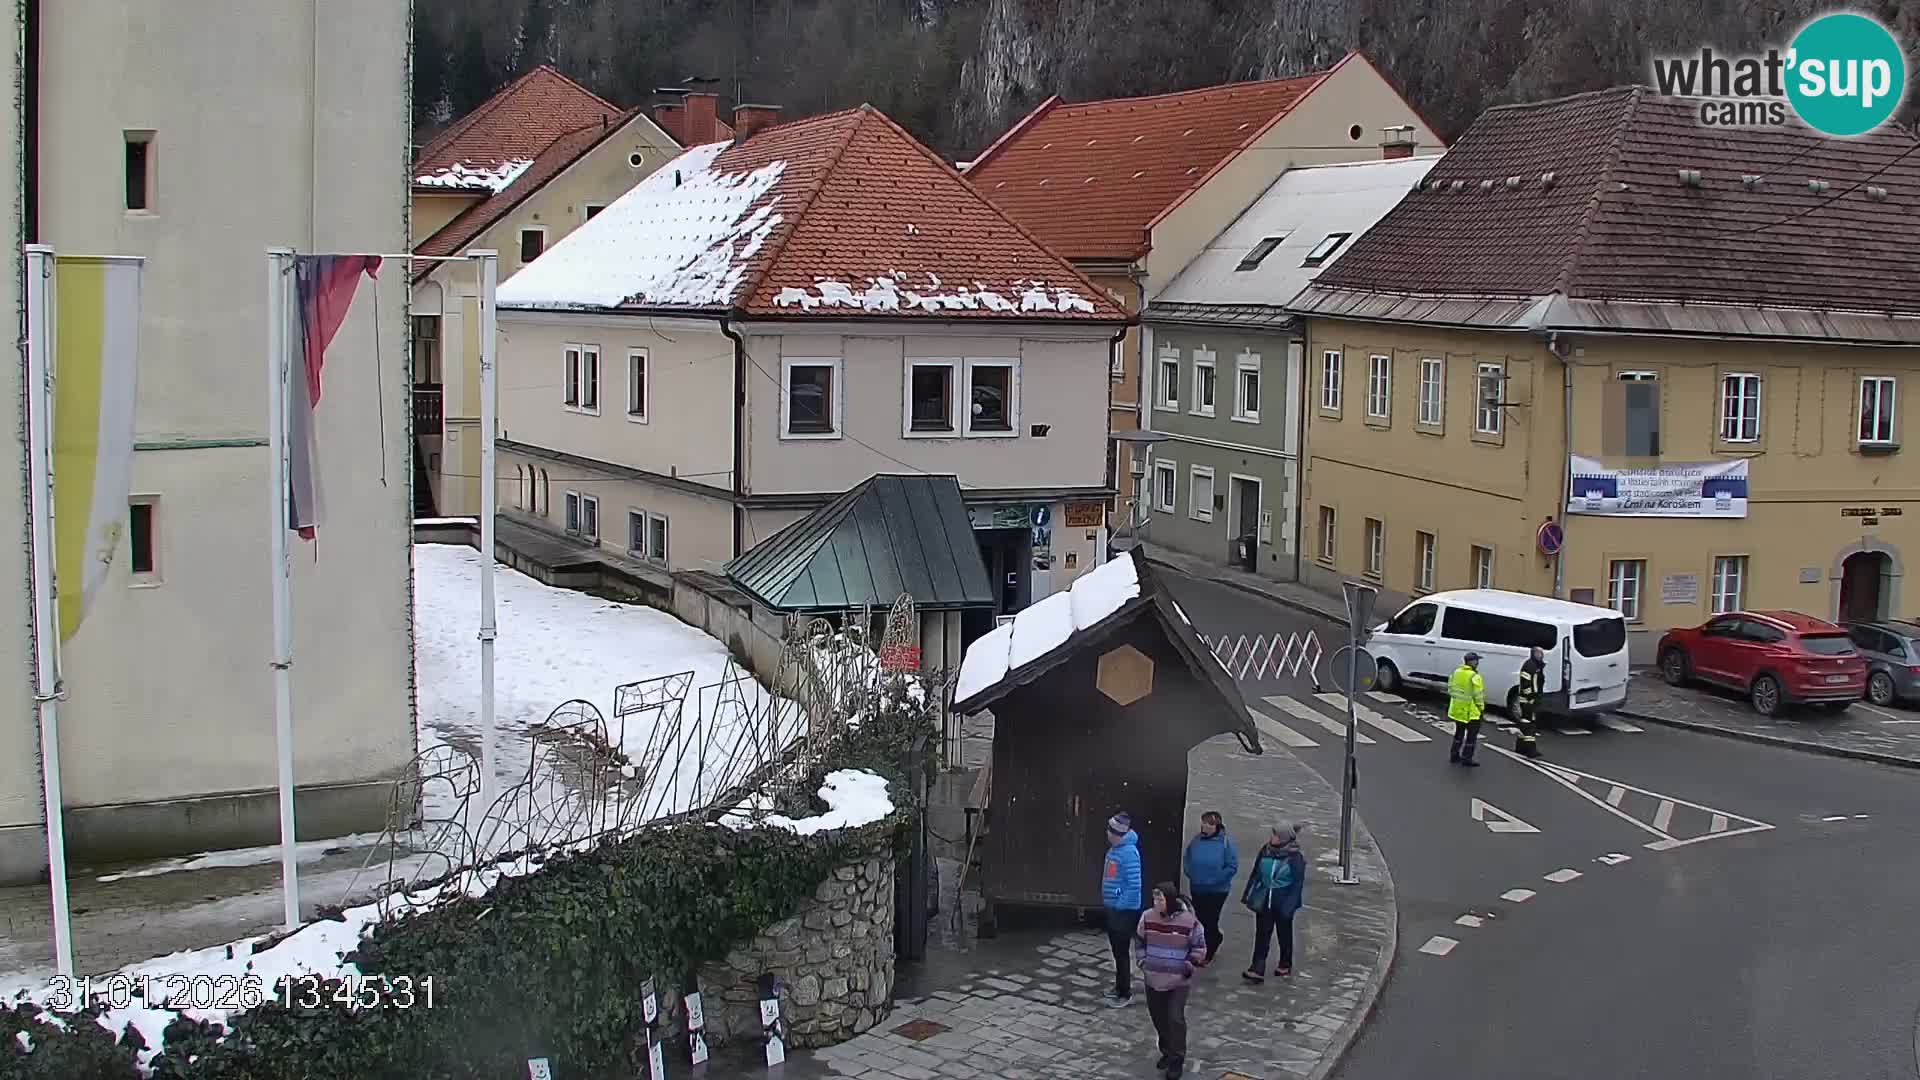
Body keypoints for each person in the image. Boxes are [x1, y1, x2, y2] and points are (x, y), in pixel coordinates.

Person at [1135, 882, 1208, 1079]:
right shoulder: (1147, 917)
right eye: (1155, 899)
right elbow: (1140, 941)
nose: (1156, 902)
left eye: (1160, 899)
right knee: (1159, 1019)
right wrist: (1143, 962)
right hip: (1153, 979)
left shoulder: (1188, 922)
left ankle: (1177, 1060)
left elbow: (1199, 947)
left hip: (1178, 981)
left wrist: (1188, 965)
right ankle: (1167, 1051)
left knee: (1175, 1018)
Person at [1240, 824, 1307, 981]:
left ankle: (1285, 963)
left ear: (1283, 838)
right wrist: (1248, 894)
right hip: (1264, 901)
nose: (1272, 837)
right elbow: (1255, 873)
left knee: (1284, 935)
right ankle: (1257, 967)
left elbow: (1297, 884)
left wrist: (1288, 907)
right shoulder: (1266, 851)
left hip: (1283, 903)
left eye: (1276, 835)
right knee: (1262, 934)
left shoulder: (1295, 858)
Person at [1181, 811, 1238, 963]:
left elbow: (1232, 866)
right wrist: (1190, 872)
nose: (1204, 825)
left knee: (1210, 920)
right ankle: (1201, 946)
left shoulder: (1226, 843)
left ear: (1216, 826)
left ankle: (1209, 950)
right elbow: (1187, 858)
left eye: (1208, 823)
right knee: (1199, 919)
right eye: (1203, 822)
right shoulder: (1196, 840)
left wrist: (1215, 880)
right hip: (1198, 887)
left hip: (1217, 891)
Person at [1101, 812, 1144, 1006]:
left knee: (1122, 951)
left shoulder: (1128, 853)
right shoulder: (1115, 850)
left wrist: (1118, 902)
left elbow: (1133, 885)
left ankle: (1125, 992)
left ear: (1118, 833)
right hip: (1113, 908)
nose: (1107, 833)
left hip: (1123, 911)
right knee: (1117, 951)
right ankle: (1119, 986)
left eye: (1110, 830)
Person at [1448, 651, 1488, 767]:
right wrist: (1481, 708)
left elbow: (1450, 689)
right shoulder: (1474, 676)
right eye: (1477, 661)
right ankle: (1467, 758)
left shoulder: (1456, 673)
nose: (1478, 663)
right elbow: (1478, 695)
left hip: (1458, 710)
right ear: (1473, 662)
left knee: (1459, 734)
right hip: (1471, 712)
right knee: (1471, 737)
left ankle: (1454, 755)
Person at [1514, 645, 1545, 758]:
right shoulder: (1530, 666)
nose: (1542, 655)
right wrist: (1531, 697)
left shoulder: (1535, 665)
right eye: (1540, 653)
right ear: (1534, 654)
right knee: (1529, 724)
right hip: (1529, 700)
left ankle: (1520, 747)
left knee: (1525, 723)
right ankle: (1530, 750)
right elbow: (1526, 683)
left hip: (1530, 699)